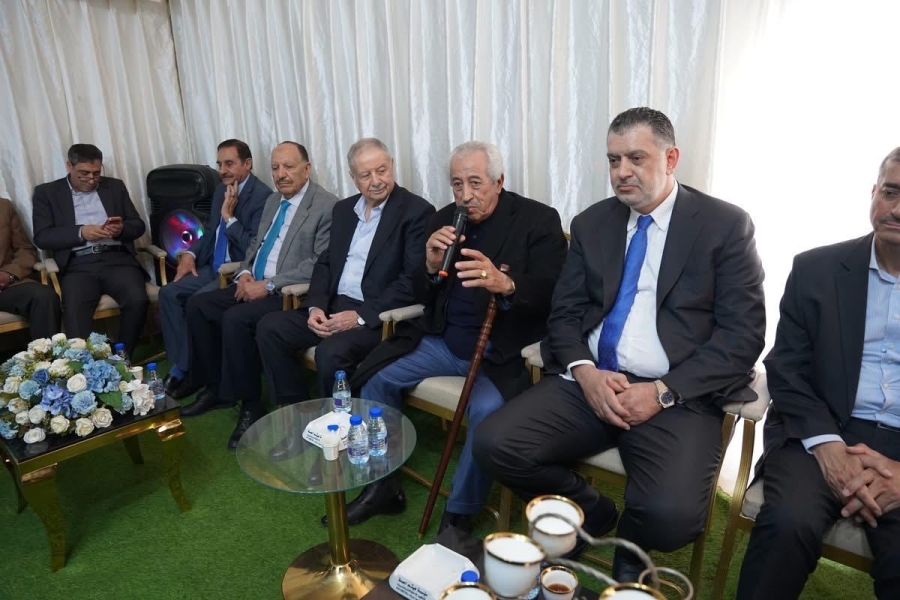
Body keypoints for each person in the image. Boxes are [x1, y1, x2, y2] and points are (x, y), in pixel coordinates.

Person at [474, 107, 766, 579]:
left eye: (636, 158)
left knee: (671, 518)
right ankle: (592, 511)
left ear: (671, 159)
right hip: (589, 383)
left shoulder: (724, 226)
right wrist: (585, 373)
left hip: (674, 396)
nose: (622, 172)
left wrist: (662, 392)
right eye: (614, 160)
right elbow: (564, 313)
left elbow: (743, 336)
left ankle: (629, 546)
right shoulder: (593, 223)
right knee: (493, 443)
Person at [345, 140, 568, 530]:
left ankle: (460, 514)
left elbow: (553, 292)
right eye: (457, 184)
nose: (466, 195)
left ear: (499, 181)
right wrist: (430, 268)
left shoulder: (538, 220)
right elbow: (421, 292)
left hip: (501, 352)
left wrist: (507, 284)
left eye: (475, 183)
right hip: (443, 341)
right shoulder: (444, 218)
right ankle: (382, 485)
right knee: (375, 378)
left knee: (486, 413)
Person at [736, 148, 900, 600]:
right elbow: (786, 366)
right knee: (787, 524)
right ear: (874, 193)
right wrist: (828, 447)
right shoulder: (816, 269)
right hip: (821, 429)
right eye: (891, 193)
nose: (897, 209)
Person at [256, 138, 435, 459]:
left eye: (382, 170)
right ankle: (302, 422)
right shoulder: (344, 210)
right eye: (366, 175)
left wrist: (360, 316)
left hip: (378, 316)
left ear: (392, 166)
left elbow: (412, 281)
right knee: (270, 327)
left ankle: (336, 439)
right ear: (353, 177)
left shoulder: (416, 212)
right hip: (333, 305)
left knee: (331, 353)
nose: (376, 180)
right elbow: (325, 264)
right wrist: (315, 306)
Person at [182, 141, 338, 449]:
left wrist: (267, 285)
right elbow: (256, 246)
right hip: (254, 281)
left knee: (236, 319)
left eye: (289, 167)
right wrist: (244, 273)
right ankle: (217, 388)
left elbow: (319, 264)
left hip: (286, 293)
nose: (281, 174)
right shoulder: (273, 201)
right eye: (276, 168)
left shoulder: (326, 206)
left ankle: (251, 405)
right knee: (199, 305)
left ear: (307, 169)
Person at [160, 139, 271, 399]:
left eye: (229, 163)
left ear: (247, 163)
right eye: (219, 164)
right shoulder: (222, 189)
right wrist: (189, 254)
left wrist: (229, 218)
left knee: (198, 302)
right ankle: (183, 364)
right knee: (168, 294)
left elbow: (254, 247)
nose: (222, 170)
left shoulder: (263, 197)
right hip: (211, 265)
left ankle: (186, 372)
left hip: (236, 272)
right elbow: (210, 231)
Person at [32, 144, 149, 354]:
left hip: (117, 260)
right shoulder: (47, 193)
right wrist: (81, 232)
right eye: (84, 173)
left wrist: (121, 229)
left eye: (96, 173)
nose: (91, 179)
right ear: (69, 165)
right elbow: (42, 237)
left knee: (138, 300)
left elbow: (138, 225)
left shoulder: (114, 187)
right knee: (75, 312)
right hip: (78, 264)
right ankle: (86, 365)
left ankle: (122, 356)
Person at [0, 198, 61, 338]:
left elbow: (25, 249)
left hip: (5, 286)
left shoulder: (3, 206)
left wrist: (8, 274)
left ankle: (45, 351)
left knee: (44, 297)